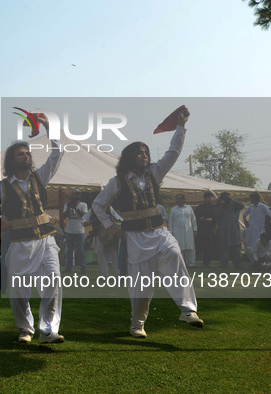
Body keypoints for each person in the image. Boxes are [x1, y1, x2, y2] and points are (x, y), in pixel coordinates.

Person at [92, 107, 203, 339]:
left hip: (159, 233)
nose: (144, 155)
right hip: (134, 238)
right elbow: (97, 205)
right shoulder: (117, 182)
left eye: (146, 152)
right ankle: (137, 323)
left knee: (174, 255)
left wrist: (181, 126)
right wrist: (110, 226)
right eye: (139, 153)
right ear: (130, 157)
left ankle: (188, 310)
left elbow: (173, 151)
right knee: (142, 287)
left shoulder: (155, 173)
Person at [0, 115, 65, 345]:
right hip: (18, 242)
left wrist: (50, 127)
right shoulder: (3, 186)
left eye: (27, 153)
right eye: (21, 154)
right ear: (12, 159)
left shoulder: (41, 176)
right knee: (19, 289)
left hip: (45, 238)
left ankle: (48, 330)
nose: (26, 156)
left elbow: (58, 153)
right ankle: (25, 329)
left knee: (54, 280)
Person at [243, 193, 271, 262]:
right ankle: (253, 260)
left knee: (258, 244)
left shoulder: (262, 206)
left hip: (258, 229)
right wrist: (245, 221)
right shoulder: (251, 207)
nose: (250, 200)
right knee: (250, 245)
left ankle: (260, 259)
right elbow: (244, 214)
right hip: (250, 229)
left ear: (254, 199)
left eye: (251, 198)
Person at [62, 189, 88, 274]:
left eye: (78, 194)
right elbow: (64, 216)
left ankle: (83, 268)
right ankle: (68, 268)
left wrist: (76, 209)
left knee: (81, 250)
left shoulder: (83, 204)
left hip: (79, 229)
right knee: (69, 250)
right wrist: (69, 207)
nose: (76, 196)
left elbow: (85, 215)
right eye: (75, 194)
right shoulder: (67, 205)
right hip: (70, 229)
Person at [216, 192, 244, 269]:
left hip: (233, 227)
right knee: (225, 246)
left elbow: (241, 206)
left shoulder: (233, 204)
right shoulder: (219, 203)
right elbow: (216, 215)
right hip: (224, 228)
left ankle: (237, 264)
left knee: (236, 246)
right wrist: (221, 204)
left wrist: (232, 200)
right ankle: (223, 264)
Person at [168, 194, 197, 267]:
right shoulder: (173, 209)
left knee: (190, 246)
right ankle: (181, 263)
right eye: (177, 199)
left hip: (188, 231)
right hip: (177, 231)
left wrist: (195, 229)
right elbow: (171, 221)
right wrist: (171, 232)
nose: (178, 200)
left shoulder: (189, 208)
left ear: (183, 200)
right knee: (179, 247)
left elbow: (193, 220)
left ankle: (191, 263)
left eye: (179, 199)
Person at [195, 192, 216, 266]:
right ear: (205, 198)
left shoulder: (214, 207)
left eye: (211, 197)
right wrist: (200, 218)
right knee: (199, 245)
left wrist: (212, 219)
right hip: (201, 228)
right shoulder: (200, 207)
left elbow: (217, 218)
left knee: (209, 245)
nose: (210, 199)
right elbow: (195, 217)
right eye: (208, 197)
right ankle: (192, 260)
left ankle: (207, 262)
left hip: (210, 228)